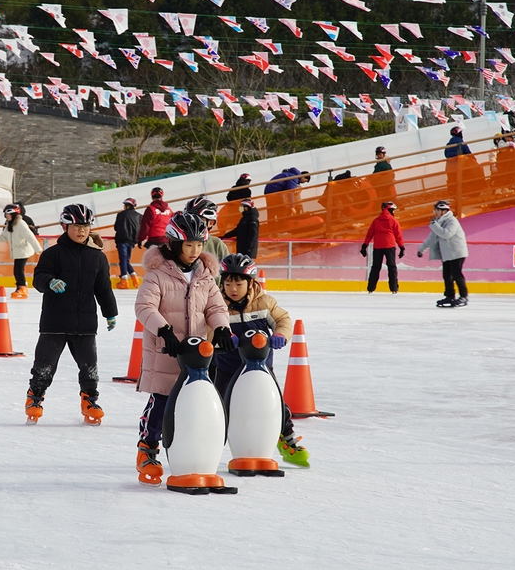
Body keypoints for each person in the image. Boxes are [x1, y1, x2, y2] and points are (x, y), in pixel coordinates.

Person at [133, 211, 232, 486]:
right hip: (166, 352)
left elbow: (215, 307)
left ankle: (193, 452)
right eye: (189, 245)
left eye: (200, 245)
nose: (195, 251)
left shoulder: (205, 276)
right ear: (174, 244)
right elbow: (144, 307)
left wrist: (222, 326)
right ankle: (148, 449)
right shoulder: (157, 275)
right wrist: (164, 330)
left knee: (195, 405)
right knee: (162, 403)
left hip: (197, 354)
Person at [25, 204, 118, 425]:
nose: (81, 231)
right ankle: (35, 398)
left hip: (85, 323)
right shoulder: (52, 254)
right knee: (44, 366)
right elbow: (38, 278)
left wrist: (110, 313)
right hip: (54, 321)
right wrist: (49, 281)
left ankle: (90, 401)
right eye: (76, 226)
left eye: (85, 226)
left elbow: (103, 289)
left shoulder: (97, 258)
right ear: (65, 226)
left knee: (89, 367)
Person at [215, 253, 308, 467]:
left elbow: (283, 319)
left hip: (262, 369)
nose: (233, 289)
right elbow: (209, 327)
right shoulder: (217, 305)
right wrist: (222, 337)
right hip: (228, 367)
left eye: (239, 283)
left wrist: (280, 335)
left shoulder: (264, 302)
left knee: (275, 404)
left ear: (251, 283)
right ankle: (210, 443)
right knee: (220, 407)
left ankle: (286, 438)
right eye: (228, 283)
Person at [416, 200, 469, 307]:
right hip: (447, 254)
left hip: (456, 253)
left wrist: (435, 225)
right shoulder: (439, 222)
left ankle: (463, 296)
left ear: (443, 211)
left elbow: (446, 234)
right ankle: (449, 296)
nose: (435, 212)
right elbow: (431, 238)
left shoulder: (452, 221)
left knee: (456, 274)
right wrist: (421, 249)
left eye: (436, 210)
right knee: (446, 275)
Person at [0, 203, 43, 300]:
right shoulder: (9, 224)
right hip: (17, 251)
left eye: (7, 214)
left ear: (13, 215)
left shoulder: (21, 224)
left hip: (23, 251)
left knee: (18, 270)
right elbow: (2, 237)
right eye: (5, 215)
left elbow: (30, 237)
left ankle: (22, 287)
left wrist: (38, 249)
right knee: (17, 270)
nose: (6, 216)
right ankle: (20, 286)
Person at [361, 201, 405, 294]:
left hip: (378, 246)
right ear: (390, 210)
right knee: (392, 267)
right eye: (393, 210)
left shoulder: (376, 221)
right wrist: (402, 247)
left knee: (375, 267)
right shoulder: (394, 221)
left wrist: (364, 245)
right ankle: (394, 288)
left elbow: (369, 234)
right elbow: (398, 235)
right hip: (390, 246)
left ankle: (371, 288)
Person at [185, 196, 229, 266]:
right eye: (189, 219)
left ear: (210, 223)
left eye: (199, 220)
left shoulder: (217, 245)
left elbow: (227, 272)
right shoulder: (179, 243)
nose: (193, 222)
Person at [113, 198, 141, 290]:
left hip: (122, 239)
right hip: (132, 241)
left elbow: (116, 227)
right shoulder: (139, 216)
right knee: (126, 260)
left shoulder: (121, 214)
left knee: (123, 260)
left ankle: (124, 280)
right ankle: (134, 277)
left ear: (127, 205)